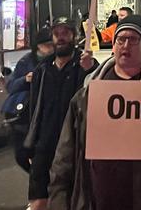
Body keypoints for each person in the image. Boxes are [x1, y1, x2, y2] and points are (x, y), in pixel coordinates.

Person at [48, 15, 141, 210]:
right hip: (100, 198)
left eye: (133, 39)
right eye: (121, 39)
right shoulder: (88, 93)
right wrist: (58, 201)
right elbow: (65, 156)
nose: (125, 45)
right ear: (113, 45)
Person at [24, 17, 97, 210]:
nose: (61, 37)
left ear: (74, 36)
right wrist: (32, 143)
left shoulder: (85, 65)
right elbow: (36, 109)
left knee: (70, 199)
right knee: (38, 200)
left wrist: (90, 70)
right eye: (57, 33)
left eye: (65, 33)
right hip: (45, 145)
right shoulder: (43, 69)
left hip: (73, 146)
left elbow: (97, 98)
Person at [1, 28, 54, 173]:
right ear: (38, 46)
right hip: (26, 114)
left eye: (52, 44)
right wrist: (26, 79)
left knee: (42, 155)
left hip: (47, 114)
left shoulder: (57, 61)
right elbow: (11, 86)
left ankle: (41, 180)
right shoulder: (26, 61)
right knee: (21, 154)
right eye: (47, 45)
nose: (50, 49)